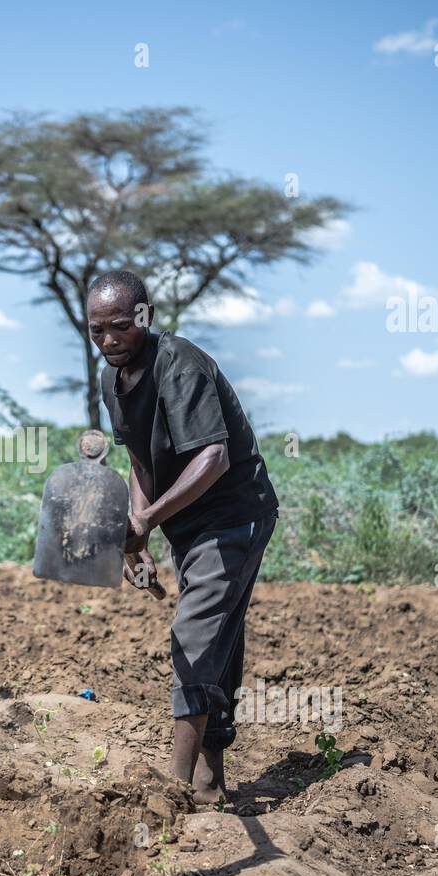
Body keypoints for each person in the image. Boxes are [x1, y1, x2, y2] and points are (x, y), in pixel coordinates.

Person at [91, 271, 279, 805]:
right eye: (97, 331)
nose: (109, 341)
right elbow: (139, 457)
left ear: (144, 318)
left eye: (121, 327)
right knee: (220, 638)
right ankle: (210, 783)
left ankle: (172, 792)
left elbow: (214, 456)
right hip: (185, 522)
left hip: (234, 515)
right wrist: (139, 535)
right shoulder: (113, 380)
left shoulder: (180, 363)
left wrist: (147, 520)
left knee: (195, 634)